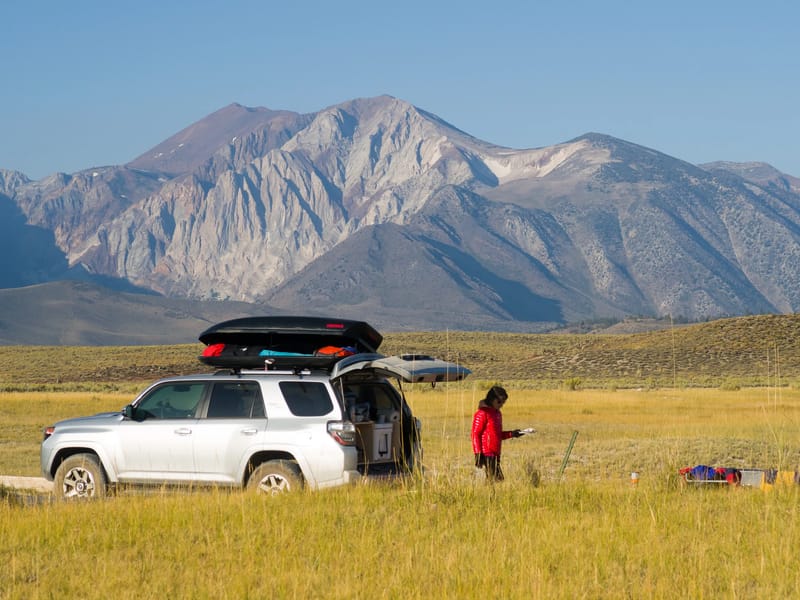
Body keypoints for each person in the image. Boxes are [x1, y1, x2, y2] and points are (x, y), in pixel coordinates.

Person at [471, 385, 522, 482]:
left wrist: (512, 434)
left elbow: (497, 435)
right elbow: (475, 434)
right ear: (491, 399)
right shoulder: (482, 413)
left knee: (495, 480)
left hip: (496, 452)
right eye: (499, 402)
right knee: (496, 480)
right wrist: (478, 454)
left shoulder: (497, 414)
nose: (501, 404)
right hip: (486, 453)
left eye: (503, 402)